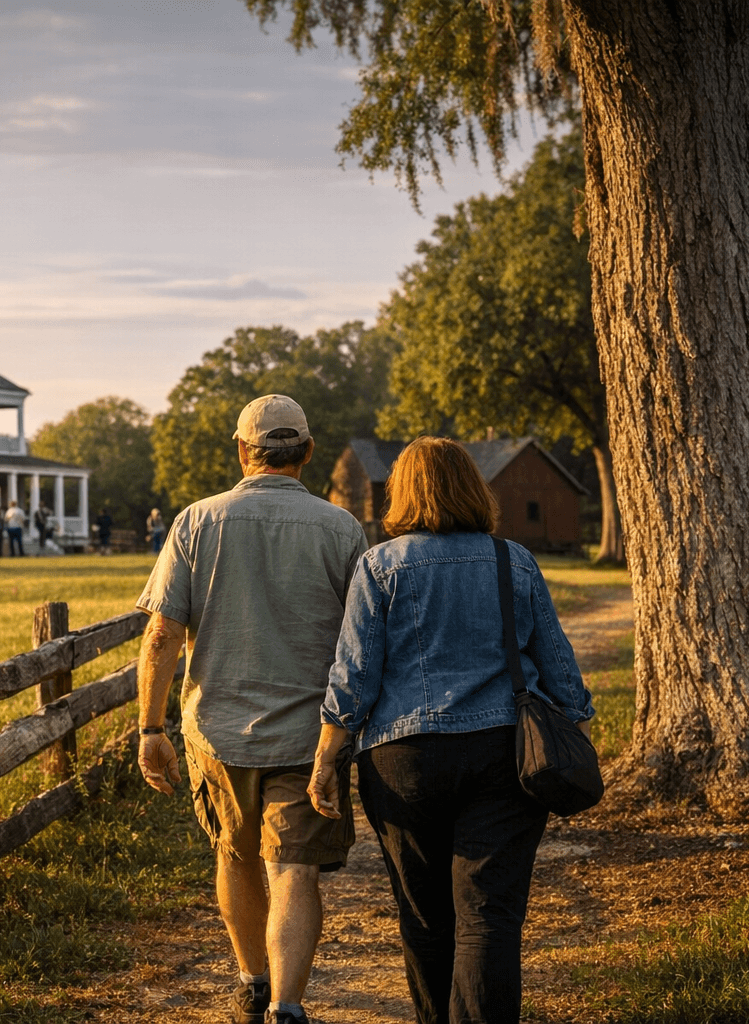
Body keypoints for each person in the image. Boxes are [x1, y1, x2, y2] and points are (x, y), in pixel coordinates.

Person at [309, 437, 594, 1024]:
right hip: (504, 754)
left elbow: (354, 674)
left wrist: (325, 758)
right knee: (489, 918)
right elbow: (560, 667)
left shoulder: (380, 565)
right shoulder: (511, 559)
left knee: (425, 916)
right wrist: (575, 719)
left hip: (402, 761)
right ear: (473, 488)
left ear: (401, 493)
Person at [136, 395, 367, 1024]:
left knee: (234, 855)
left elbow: (160, 636)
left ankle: (251, 983)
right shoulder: (341, 528)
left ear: (243, 451)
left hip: (217, 731)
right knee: (294, 870)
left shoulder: (196, 522)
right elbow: (363, 636)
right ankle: (288, 1008)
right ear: (308, 453)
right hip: (309, 733)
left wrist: (150, 728)